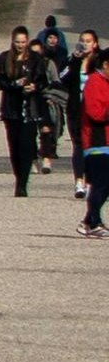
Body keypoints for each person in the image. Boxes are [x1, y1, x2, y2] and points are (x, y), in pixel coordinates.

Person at [0, 32, 50, 201]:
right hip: (11, 109)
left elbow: (44, 81)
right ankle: (18, 176)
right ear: (13, 42)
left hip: (30, 108)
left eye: (23, 42)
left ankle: (23, 183)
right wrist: (13, 84)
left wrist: (34, 86)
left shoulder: (35, 59)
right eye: (17, 42)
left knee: (27, 147)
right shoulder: (5, 58)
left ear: (27, 41)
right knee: (14, 147)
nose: (20, 45)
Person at [82, 48, 109, 238]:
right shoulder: (94, 81)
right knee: (100, 184)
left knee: (106, 185)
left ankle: (88, 221)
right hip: (96, 141)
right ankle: (93, 222)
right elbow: (95, 113)